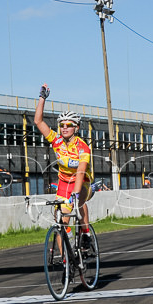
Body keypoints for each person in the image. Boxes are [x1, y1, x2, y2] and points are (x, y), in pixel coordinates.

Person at [33, 84, 94, 246]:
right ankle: (67, 262)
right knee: (60, 220)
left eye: (69, 125)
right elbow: (38, 121)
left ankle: (86, 233)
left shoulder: (83, 147)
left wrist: (75, 193)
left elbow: (81, 171)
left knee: (79, 200)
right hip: (63, 183)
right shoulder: (56, 140)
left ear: (77, 127)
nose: (65, 128)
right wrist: (42, 98)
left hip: (83, 182)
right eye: (62, 125)